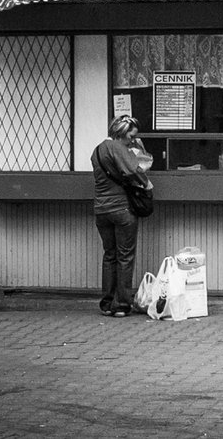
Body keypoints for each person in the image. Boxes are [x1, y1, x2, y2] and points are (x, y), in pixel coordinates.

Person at [90, 115, 154, 318]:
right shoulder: (118, 148)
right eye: (131, 136)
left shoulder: (97, 149)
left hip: (101, 209)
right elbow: (134, 170)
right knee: (125, 256)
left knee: (110, 255)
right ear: (121, 132)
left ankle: (107, 303)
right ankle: (122, 305)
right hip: (122, 209)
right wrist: (147, 184)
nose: (132, 140)